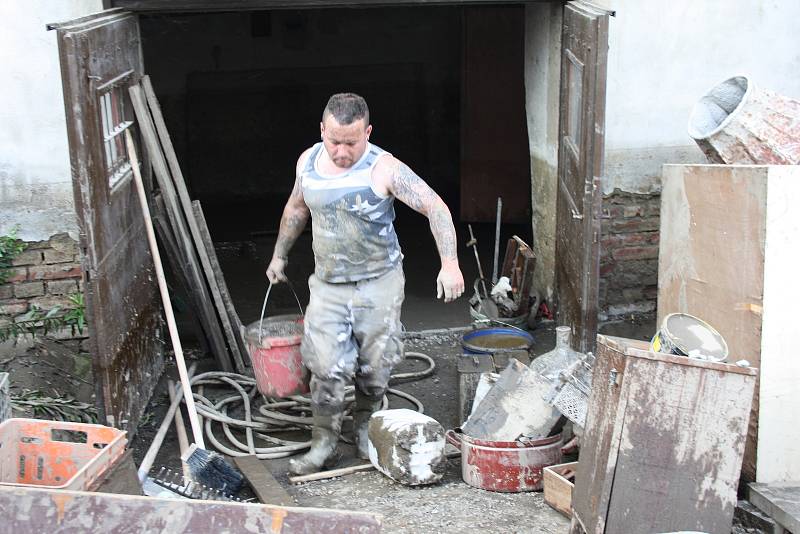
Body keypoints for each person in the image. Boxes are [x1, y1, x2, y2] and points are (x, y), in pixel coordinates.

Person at [266, 93, 464, 475]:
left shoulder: (384, 168)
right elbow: (296, 207)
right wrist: (279, 255)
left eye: (351, 143)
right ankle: (323, 445)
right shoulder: (307, 163)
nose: (341, 151)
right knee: (325, 367)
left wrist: (450, 264)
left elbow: (434, 206)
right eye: (334, 141)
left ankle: (364, 432)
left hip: (378, 283)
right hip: (328, 286)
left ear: (367, 133)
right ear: (322, 130)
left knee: (375, 369)